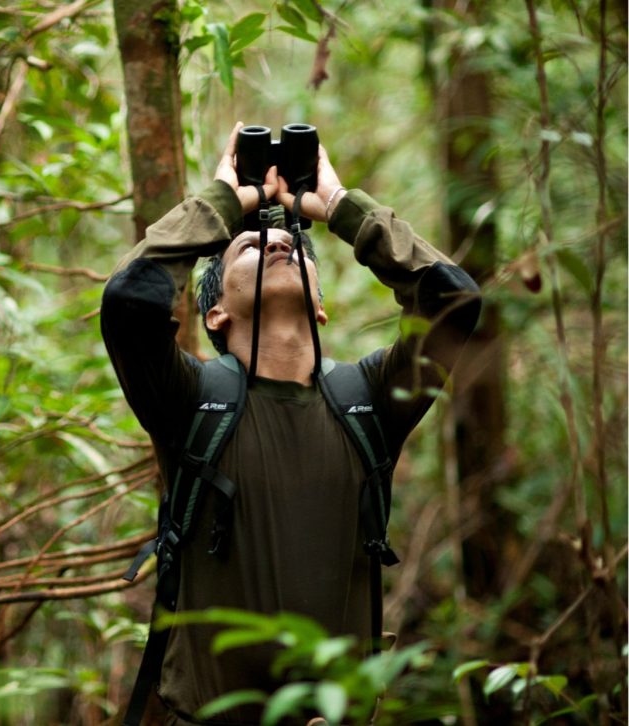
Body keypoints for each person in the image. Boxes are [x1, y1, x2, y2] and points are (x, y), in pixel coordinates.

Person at [100, 123, 482, 725]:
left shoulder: (370, 399)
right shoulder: (188, 400)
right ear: (215, 313)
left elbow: (454, 301)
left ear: (321, 307)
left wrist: (341, 207)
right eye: (250, 247)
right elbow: (129, 302)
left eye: (294, 245)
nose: (279, 241)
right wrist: (223, 203)